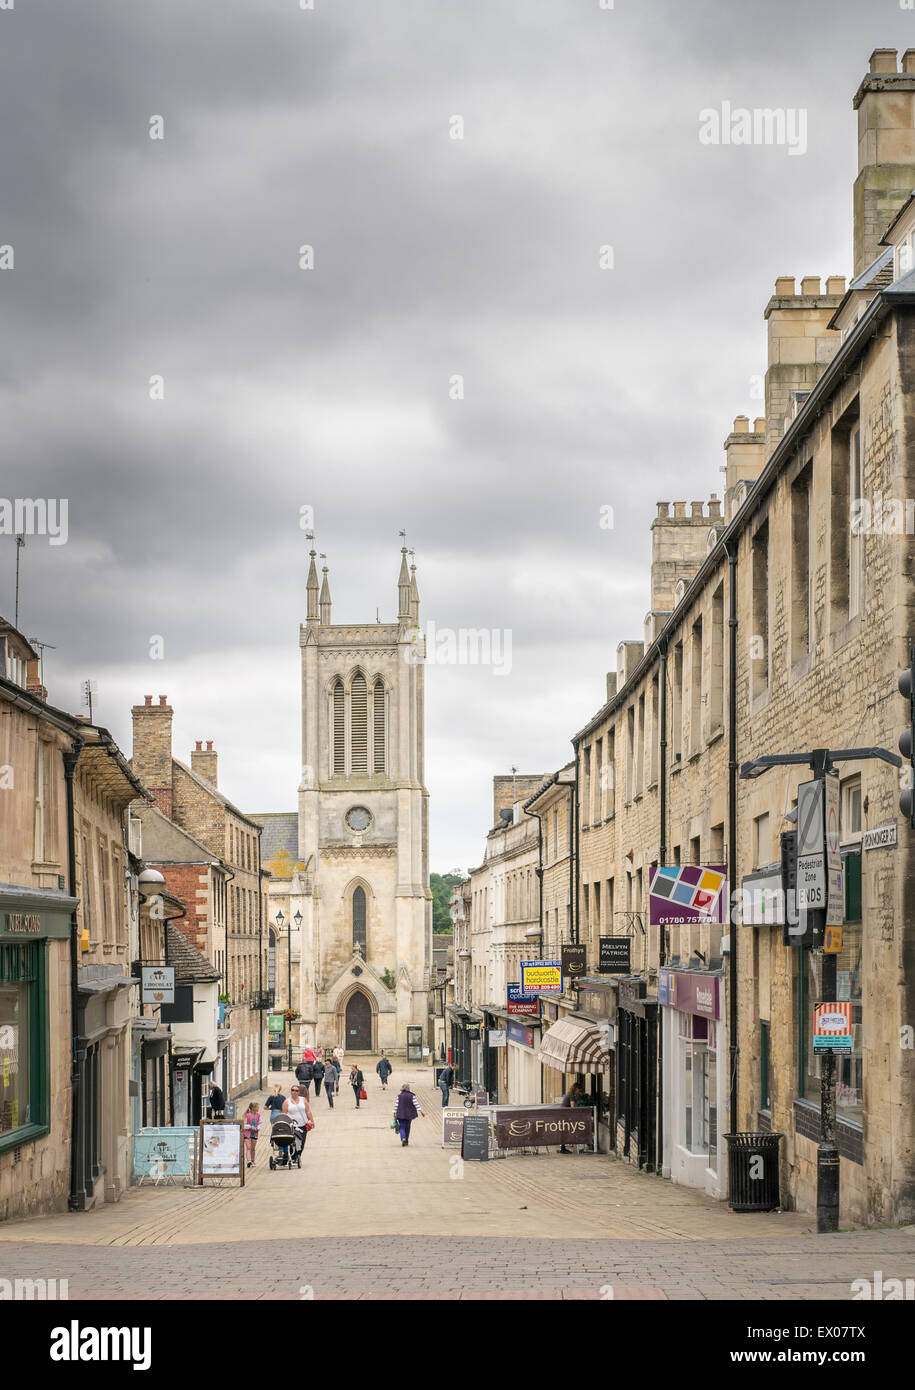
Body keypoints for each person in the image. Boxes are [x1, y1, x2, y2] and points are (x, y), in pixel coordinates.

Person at [282, 1085, 315, 1163]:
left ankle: (298, 1155)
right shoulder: (287, 1101)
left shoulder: (303, 1100)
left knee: (302, 1142)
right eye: (293, 1090)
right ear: (290, 1091)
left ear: (299, 1092)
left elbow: (308, 1111)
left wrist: (312, 1121)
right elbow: (284, 1114)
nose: (294, 1092)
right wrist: (289, 1118)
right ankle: (293, 1157)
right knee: (292, 1142)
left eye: (296, 1091)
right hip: (292, 1126)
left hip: (303, 1125)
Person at [558, 1082, 583, 1153]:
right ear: (576, 1089)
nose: (579, 1092)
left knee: (564, 1130)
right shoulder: (571, 1095)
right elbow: (572, 1107)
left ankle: (563, 1148)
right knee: (565, 1130)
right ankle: (563, 1149)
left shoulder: (569, 1093)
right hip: (565, 1115)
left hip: (562, 1114)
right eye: (579, 1090)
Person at [243, 1101, 261, 1167]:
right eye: (257, 1107)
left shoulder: (258, 1115)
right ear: (253, 1108)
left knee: (253, 1148)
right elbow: (244, 1125)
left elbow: (260, 1123)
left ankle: (253, 1160)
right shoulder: (247, 1115)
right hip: (247, 1133)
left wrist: (258, 1128)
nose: (258, 1108)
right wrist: (250, 1127)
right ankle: (248, 1161)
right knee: (248, 1147)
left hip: (255, 1133)